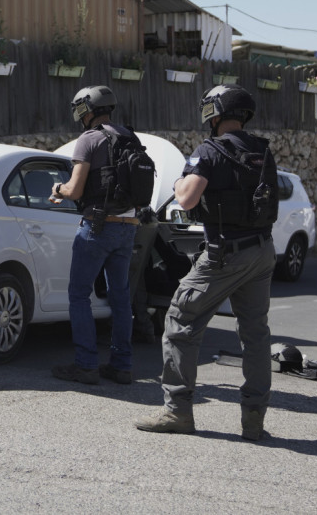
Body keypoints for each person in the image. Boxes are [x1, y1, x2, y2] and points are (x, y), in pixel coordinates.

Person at [135, 84, 277, 441]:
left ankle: (177, 411)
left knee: (181, 320)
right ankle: (254, 421)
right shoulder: (262, 150)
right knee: (255, 334)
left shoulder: (209, 150)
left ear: (216, 113)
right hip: (262, 250)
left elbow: (185, 199)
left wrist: (184, 176)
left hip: (225, 252)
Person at [49, 85, 140, 386]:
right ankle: (121, 366)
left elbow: (74, 190)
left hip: (97, 226)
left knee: (78, 294)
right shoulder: (129, 136)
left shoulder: (89, 139)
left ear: (86, 110)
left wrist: (58, 190)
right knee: (121, 298)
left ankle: (86, 365)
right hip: (127, 226)